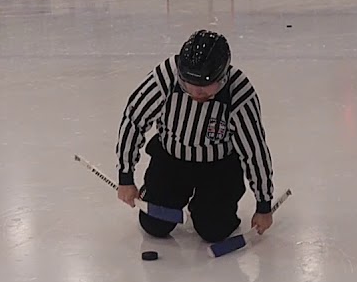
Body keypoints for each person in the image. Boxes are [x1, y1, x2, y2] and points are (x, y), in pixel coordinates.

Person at [115, 30, 275, 242]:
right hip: (172, 159)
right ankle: (156, 190)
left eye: (205, 86)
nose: (196, 92)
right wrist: (125, 177)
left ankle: (207, 208)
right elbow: (134, 120)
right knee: (154, 225)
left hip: (218, 165)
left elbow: (254, 151)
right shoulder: (167, 76)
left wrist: (263, 204)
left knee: (214, 230)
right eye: (189, 83)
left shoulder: (239, 93)